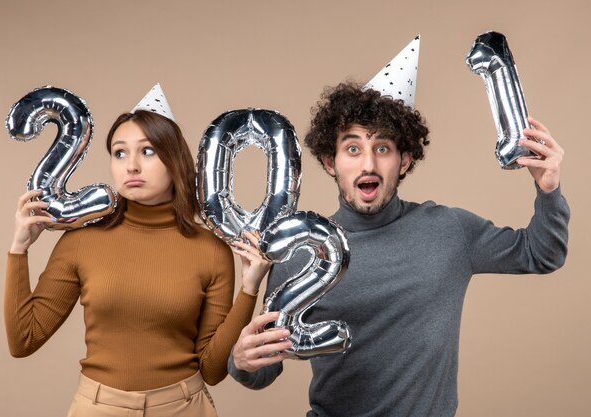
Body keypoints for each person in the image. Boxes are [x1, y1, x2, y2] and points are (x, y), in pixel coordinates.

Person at [227, 82, 569, 417]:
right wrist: (241, 361)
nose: (368, 165)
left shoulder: (450, 231)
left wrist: (548, 188)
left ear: (404, 161)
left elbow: (542, 253)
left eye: (382, 148)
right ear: (330, 162)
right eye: (353, 149)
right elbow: (263, 370)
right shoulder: (302, 254)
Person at [4, 84, 270, 417]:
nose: (131, 165)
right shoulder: (80, 242)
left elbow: (213, 370)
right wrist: (19, 249)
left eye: (147, 151)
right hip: (98, 408)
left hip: (184, 407)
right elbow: (23, 339)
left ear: (174, 160)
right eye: (119, 152)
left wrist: (249, 288)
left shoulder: (211, 250)